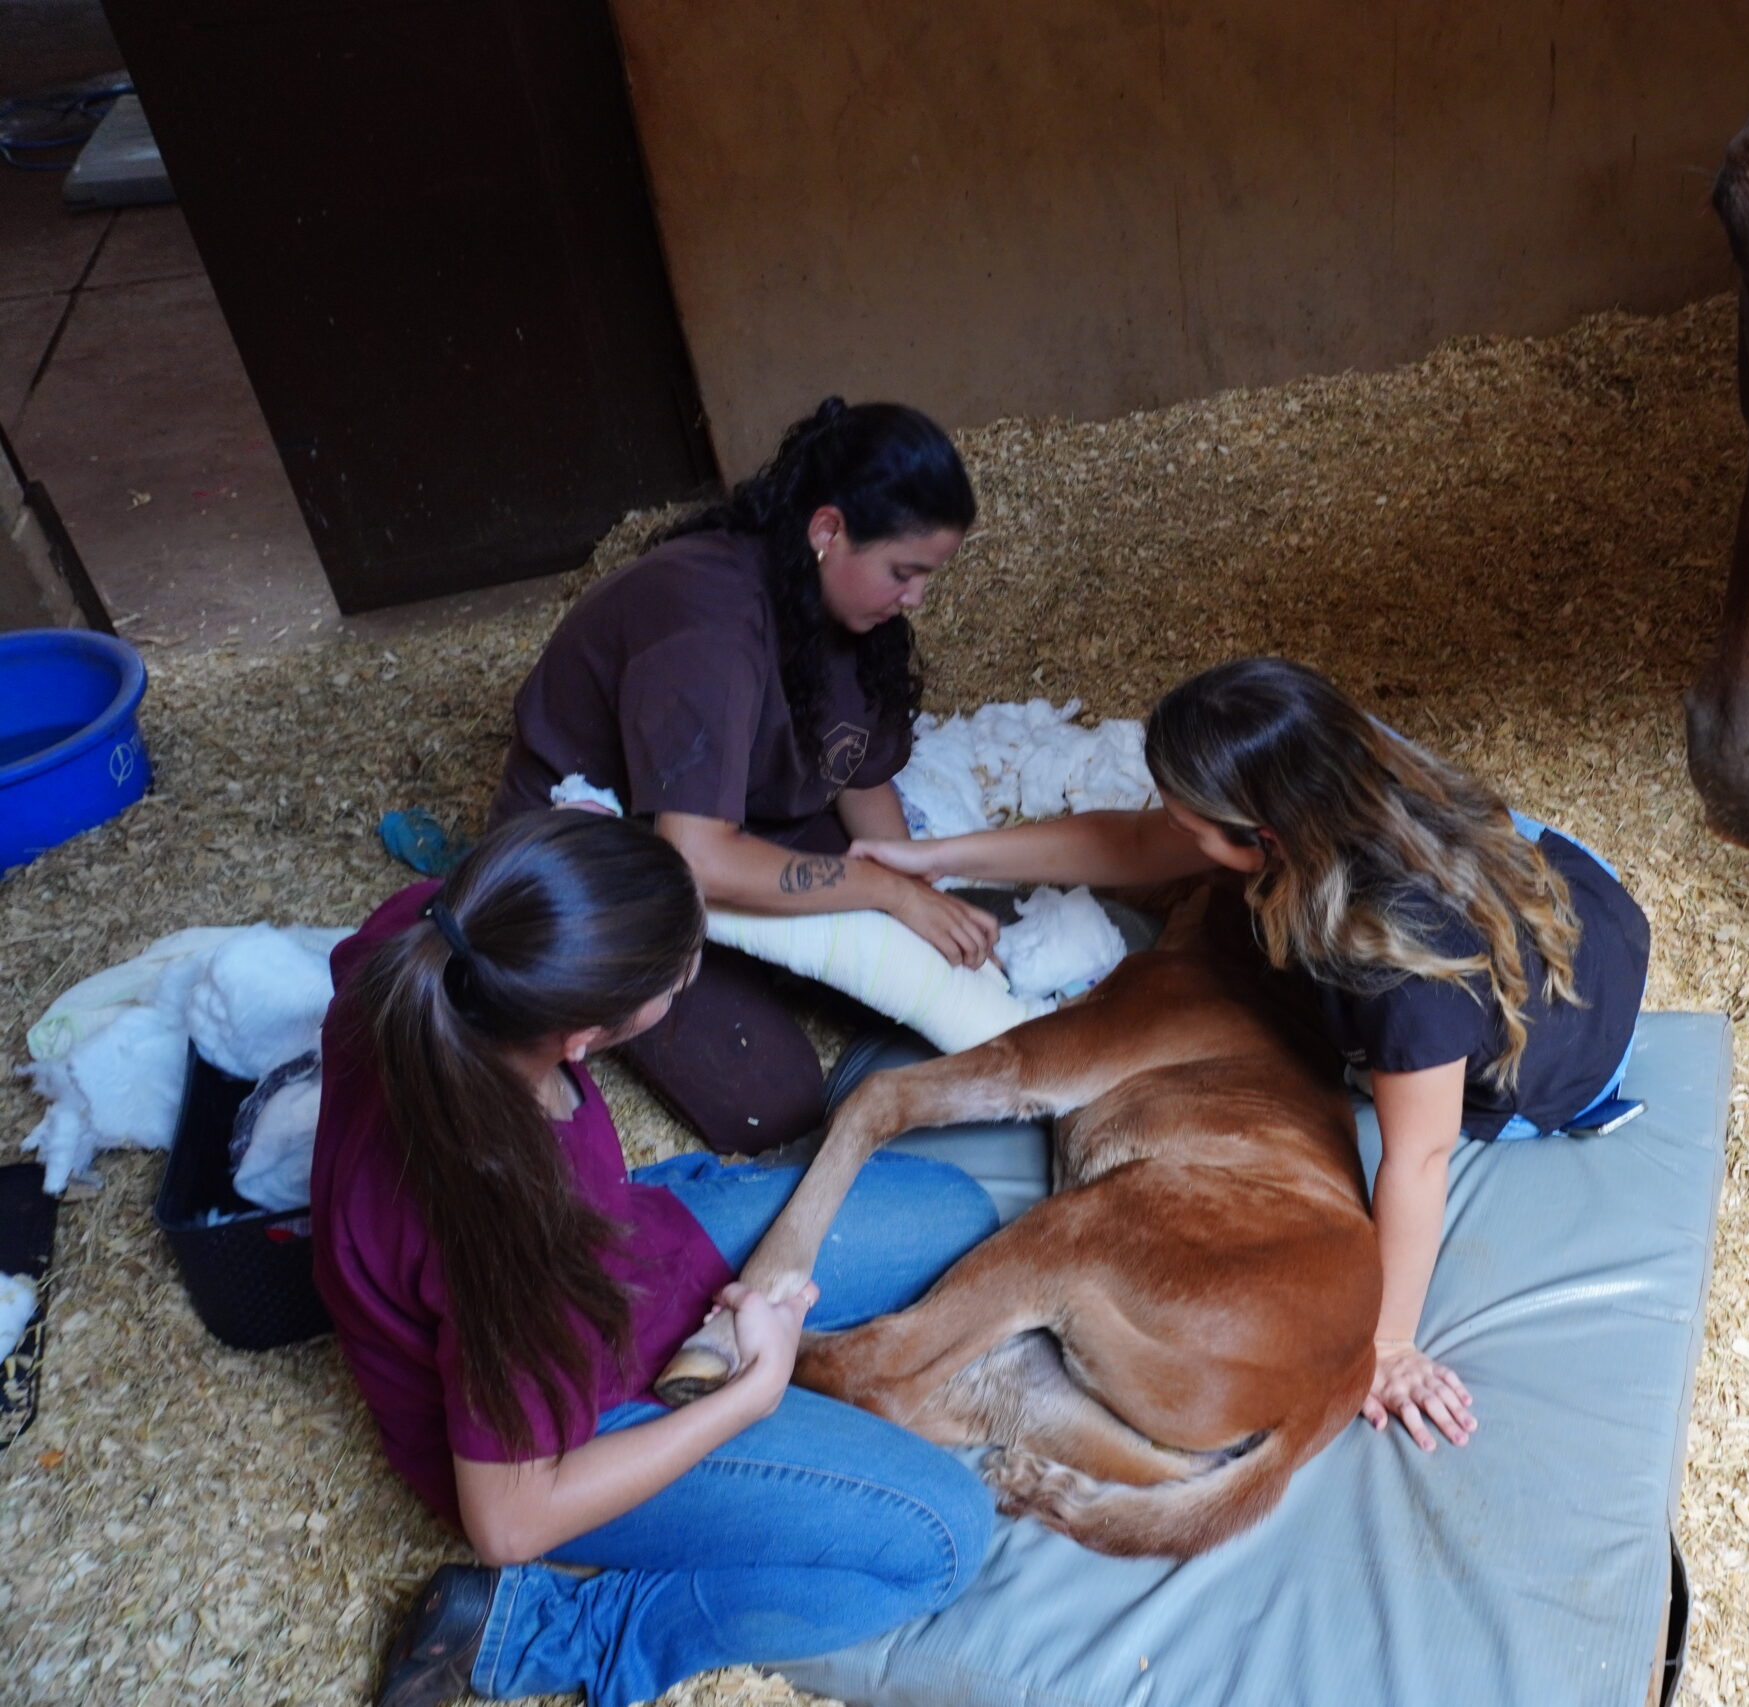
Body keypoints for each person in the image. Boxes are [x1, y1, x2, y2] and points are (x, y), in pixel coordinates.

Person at [852, 657, 1651, 1454]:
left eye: (1191, 825)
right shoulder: (1330, 759)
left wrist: (1389, 1343)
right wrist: (938, 858)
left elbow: (1420, 1157)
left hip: (1566, 1057)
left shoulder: (1403, 975)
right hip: (1586, 888)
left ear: (1263, 840)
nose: (1170, 829)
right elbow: (1136, 841)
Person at [310, 810, 1001, 1707]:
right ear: (580, 1037)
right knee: (945, 1536)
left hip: (620, 1242)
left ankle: (668, 1212)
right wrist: (754, 1392)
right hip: (565, 1406)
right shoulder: (514, 1235)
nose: (688, 973)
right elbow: (510, 1523)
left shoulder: (435, 936)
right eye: (675, 978)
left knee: (958, 1212)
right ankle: (546, 1631)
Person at [490, 398, 999, 1154]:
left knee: (948, 960)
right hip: (609, 856)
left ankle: (764, 953)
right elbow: (693, 857)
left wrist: (918, 892)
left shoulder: (851, 611)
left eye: (927, 575)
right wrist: (886, 892)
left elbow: (857, 775)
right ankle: (723, 969)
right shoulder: (708, 617)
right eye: (903, 572)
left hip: (743, 819)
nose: (916, 598)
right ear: (827, 530)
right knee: (775, 1101)